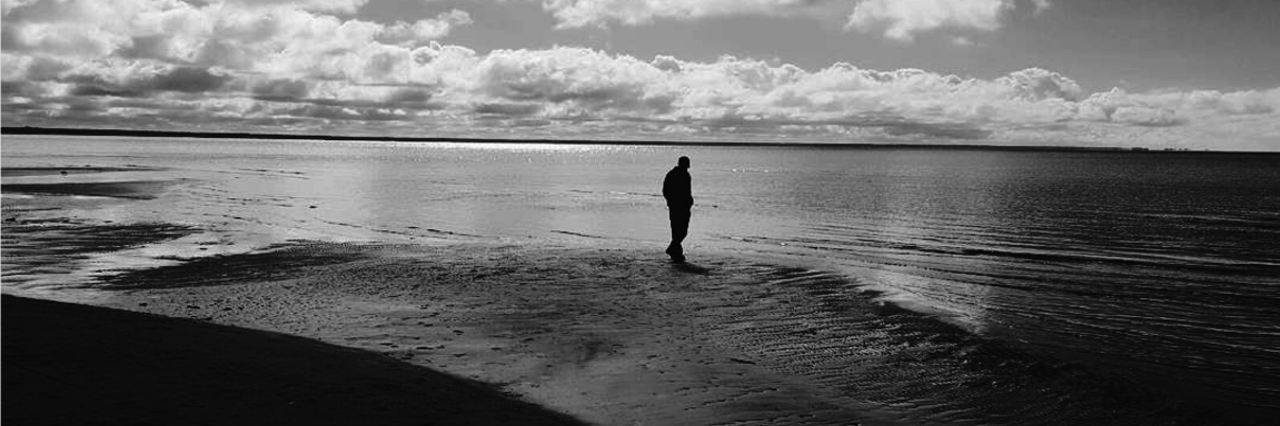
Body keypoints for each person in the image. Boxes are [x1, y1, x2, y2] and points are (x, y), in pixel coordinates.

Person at [662, 156, 693, 262]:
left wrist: (689, 201)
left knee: (681, 230)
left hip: (683, 205)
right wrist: (671, 201)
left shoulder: (686, 175)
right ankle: (674, 250)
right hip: (676, 206)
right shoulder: (673, 174)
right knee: (678, 230)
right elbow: (666, 190)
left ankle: (675, 250)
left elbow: (687, 191)